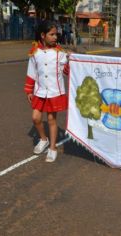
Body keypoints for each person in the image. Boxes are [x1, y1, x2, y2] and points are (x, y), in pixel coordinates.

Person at [24, 20, 70, 162]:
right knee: (36, 118)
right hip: (39, 91)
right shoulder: (35, 52)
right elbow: (32, 73)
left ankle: (52, 147)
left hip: (54, 91)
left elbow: (67, 72)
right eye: (52, 34)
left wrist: (70, 60)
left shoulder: (60, 53)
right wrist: (29, 90)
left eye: (56, 34)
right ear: (43, 35)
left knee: (51, 119)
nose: (55, 37)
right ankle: (43, 139)